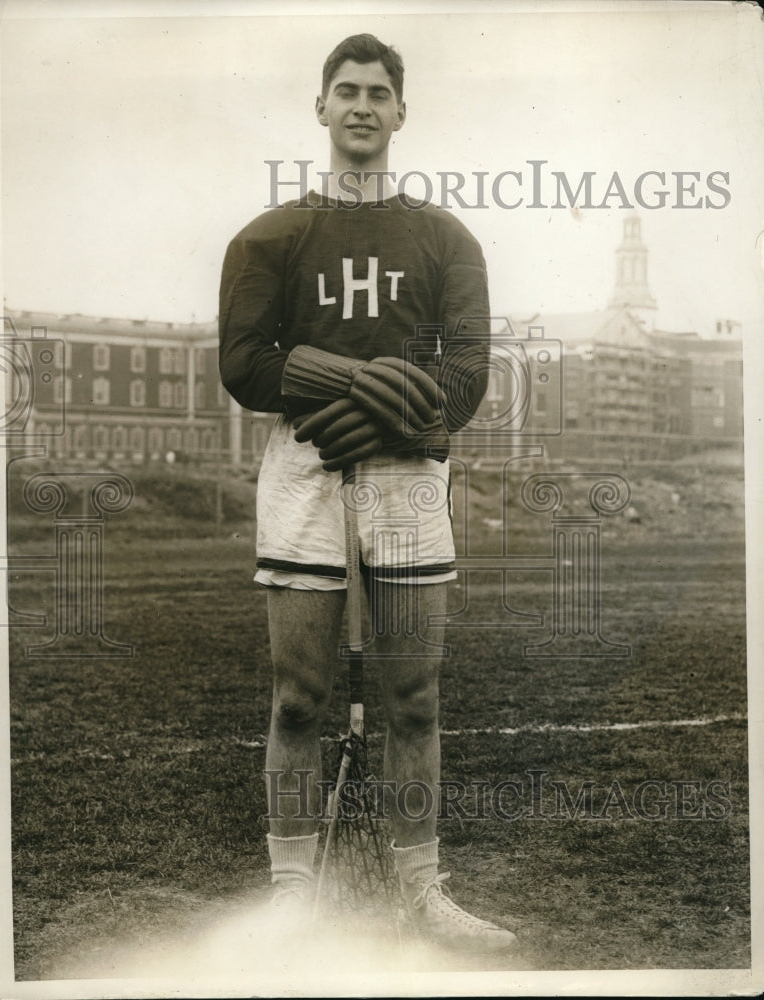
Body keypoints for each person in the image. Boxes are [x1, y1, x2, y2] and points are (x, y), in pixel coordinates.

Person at [219, 32, 515, 953]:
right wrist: (347, 389)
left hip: (408, 474)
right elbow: (241, 365)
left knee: (414, 695)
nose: (359, 105)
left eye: (376, 93)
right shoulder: (269, 234)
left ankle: (423, 890)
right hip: (304, 466)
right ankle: (290, 892)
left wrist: (393, 416)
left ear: (398, 111)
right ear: (319, 107)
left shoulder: (444, 236)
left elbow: (466, 376)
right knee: (298, 695)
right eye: (343, 90)